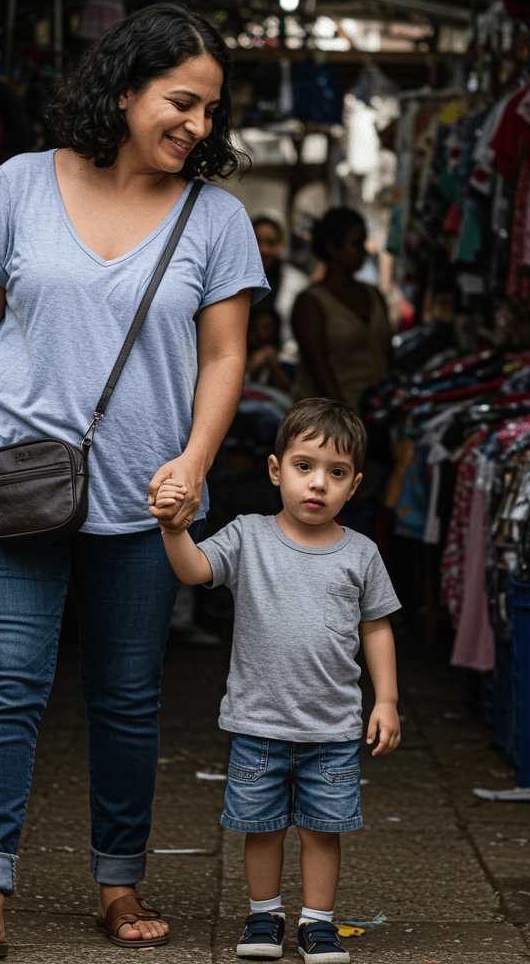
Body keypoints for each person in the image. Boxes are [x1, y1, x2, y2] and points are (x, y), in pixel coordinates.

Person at [0, 3, 268, 957]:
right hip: (9, 475)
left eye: (211, 111)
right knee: (6, 686)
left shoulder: (215, 218)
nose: (198, 125)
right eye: (181, 102)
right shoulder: (19, 184)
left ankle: (118, 882)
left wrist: (193, 459)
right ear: (126, 89)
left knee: (127, 695)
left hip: (149, 499)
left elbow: (226, 357)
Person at [152, 398, 401, 963]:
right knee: (259, 827)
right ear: (275, 470)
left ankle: (318, 923)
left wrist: (385, 700)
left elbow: (378, 628)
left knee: (321, 830)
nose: (318, 484)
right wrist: (174, 529)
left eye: (336, 474)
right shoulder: (248, 536)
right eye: (304, 466)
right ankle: (263, 916)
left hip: (333, 729)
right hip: (259, 724)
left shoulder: (361, 553)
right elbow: (195, 570)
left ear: (355, 485)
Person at [290, 209, 393, 415]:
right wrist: (346, 421)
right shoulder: (310, 303)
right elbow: (319, 369)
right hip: (325, 421)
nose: (363, 251)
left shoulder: (373, 294)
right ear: (332, 247)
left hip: (375, 414)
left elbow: (387, 356)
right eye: (356, 244)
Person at [252, 214, 312, 364]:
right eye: (257, 242)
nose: (263, 249)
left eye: (270, 243)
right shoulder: (228, 279)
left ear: (279, 245)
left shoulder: (296, 282)